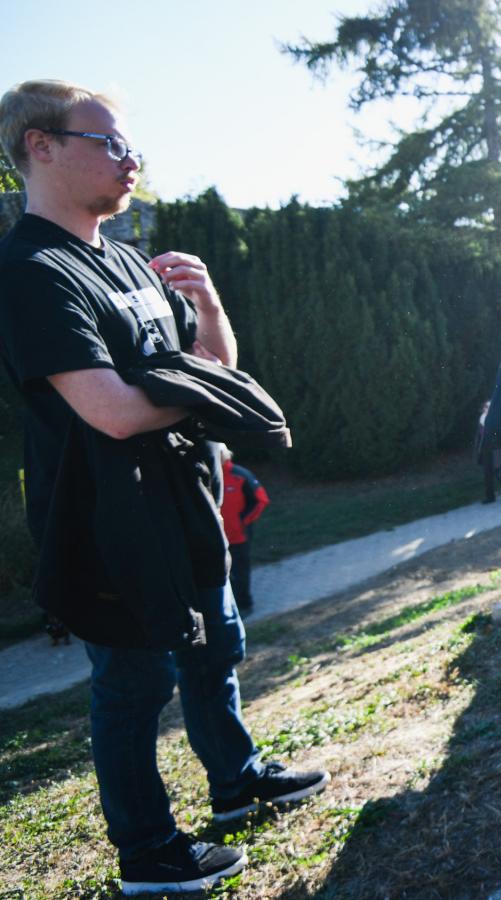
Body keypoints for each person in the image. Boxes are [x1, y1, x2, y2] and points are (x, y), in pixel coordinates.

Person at [0, 79, 327, 894]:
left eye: (132, 146)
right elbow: (111, 412)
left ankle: (236, 782)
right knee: (135, 683)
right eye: (110, 143)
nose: (131, 160)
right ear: (41, 146)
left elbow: (214, 364)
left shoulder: (123, 260)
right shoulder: (32, 269)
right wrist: (207, 394)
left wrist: (208, 307)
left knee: (216, 651)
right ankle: (148, 853)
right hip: (109, 521)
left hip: (187, 500)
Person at [220, 451, 269, 615]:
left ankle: (245, 605)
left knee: (239, 571)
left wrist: (241, 522)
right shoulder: (208, 475)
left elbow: (260, 500)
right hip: (216, 536)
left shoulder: (240, 475)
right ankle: (226, 607)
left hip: (238, 535)